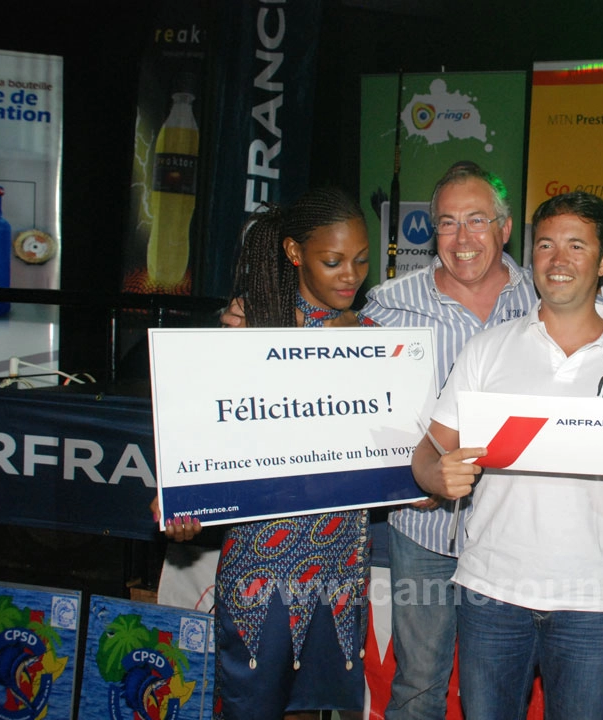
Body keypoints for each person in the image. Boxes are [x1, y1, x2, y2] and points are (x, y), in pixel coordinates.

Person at [221, 162, 539, 718]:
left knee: (499, 691)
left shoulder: (543, 301)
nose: (462, 238)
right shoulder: (380, 312)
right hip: (396, 533)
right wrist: (179, 489)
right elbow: (221, 421)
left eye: (477, 220)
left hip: (502, 530)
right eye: (446, 222)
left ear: (505, 227)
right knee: (412, 684)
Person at [411, 191, 603, 719]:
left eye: (575, 246)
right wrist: (435, 475)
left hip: (594, 600)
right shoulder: (488, 348)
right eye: (545, 245)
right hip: (491, 592)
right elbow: (428, 451)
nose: (557, 261)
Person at [159, 188, 373, 720]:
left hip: (341, 559)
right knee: (251, 704)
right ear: (295, 253)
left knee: (314, 708)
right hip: (264, 558)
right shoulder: (248, 328)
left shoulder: (376, 341)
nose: (351, 275)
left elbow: (393, 446)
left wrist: (418, 480)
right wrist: (177, 498)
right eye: (333, 261)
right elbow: (203, 435)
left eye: (362, 261)